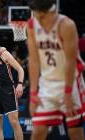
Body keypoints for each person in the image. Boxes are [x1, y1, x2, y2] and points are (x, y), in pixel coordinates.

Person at [27, 0, 84, 140]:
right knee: (38, 132)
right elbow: (33, 61)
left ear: (52, 11)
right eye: (36, 15)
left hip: (70, 82)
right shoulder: (32, 25)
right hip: (47, 84)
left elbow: (71, 62)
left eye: (42, 17)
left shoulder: (67, 25)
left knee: (74, 132)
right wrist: (33, 93)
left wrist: (68, 92)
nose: (38, 20)